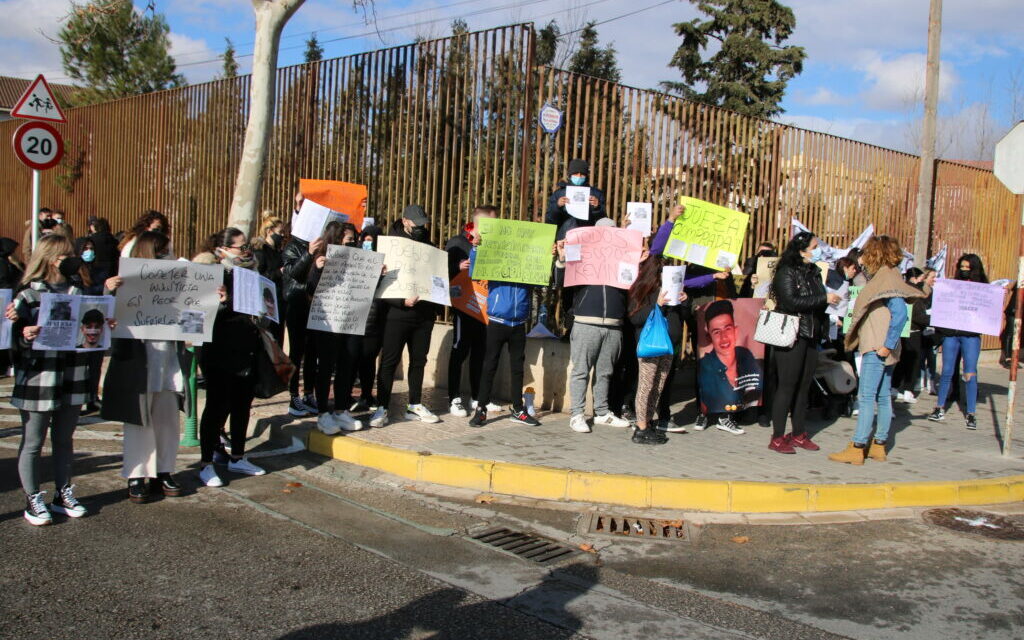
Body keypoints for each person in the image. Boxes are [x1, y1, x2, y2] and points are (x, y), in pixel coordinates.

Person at [7, 235, 98, 525]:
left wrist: (102, 326)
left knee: (64, 438)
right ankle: (33, 497)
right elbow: (11, 338)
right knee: (33, 441)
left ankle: (63, 492)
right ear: (48, 257)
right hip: (39, 375)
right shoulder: (27, 293)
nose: (70, 258)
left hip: (73, 373)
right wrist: (23, 334)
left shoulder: (78, 291)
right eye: (63, 254)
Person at [102, 231, 190, 502]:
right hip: (138, 360)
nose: (170, 256)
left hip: (168, 358)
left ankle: (164, 470)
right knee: (139, 420)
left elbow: (195, 310)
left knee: (167, 420)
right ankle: (137, 474)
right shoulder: (124, 281)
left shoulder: (178, 278)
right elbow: (100, 318)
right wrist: (108, 291)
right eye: (165, 252)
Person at [830, 235, 924, 464]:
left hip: (877, 346)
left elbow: (900, 314)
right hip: (883, 346)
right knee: (883, 397)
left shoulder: (885, 281)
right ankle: (879, 445)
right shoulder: (889, 277)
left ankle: (858, 446)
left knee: (866, 396)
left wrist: (886, 345)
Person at [196, 228, 267, 487]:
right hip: (218, 350)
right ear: (222, 249)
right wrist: (222, 303)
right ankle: (206, 463)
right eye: (240, 247)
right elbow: (197, 313)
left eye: (246, 246)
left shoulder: (250, 273)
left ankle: (238, 457)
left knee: (241, 405)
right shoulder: (211, 273)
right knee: (217, 406)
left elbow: (258, 310)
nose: (246, 251)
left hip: (247, 348)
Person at [467, 210, 543, 428]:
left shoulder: (528, 262)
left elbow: (541, 280)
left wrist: (550, 256)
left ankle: (518, 409)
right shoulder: (496, 257)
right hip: (497, 321)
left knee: (518, 368)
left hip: (519, 322)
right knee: (489, 365)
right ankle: (481, 409)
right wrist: (476, 248)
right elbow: (474, 271)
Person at [369, 206, 442, 428]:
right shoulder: (390, 245)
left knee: (419, 360)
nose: (421, 227)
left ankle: (415, 404)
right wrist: (401, 302)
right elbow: (381, 285)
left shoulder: (429, 247)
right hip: (396, 314)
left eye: (423, 223)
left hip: (424, 314)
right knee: (389, 361)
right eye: (416, 223)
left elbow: (437, 278)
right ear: (405, 221)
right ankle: (382, 406)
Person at [768, 231, 841, 454]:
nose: (818, 249)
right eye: (815, 246)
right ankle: (778, 436)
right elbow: (790, 302)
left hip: (811, 334)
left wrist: (828, 306)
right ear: (802, 250)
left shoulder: (814, 271)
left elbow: (815, 302)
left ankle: (799, 433)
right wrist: (823, 298)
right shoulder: (786, 272)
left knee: (804, 387)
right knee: (787, 386)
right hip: (791, 335)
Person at [556, 218, 631, 434]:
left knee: (605, 372)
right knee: (581, 371)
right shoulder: (582, 255)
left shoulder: (623, 258)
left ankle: (601, 412)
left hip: (614, 325)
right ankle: (577, 414)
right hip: (586, 322)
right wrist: (561, 259)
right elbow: (562, 280)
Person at [307, 222, 366, 434]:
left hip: (351, 319)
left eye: (354, 239)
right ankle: (323, 412)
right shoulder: (321, 258)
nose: (353, 243)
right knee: (325, 367)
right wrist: (317, 269)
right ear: (337, 239)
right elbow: (310, 287)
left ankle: (340, 409)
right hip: (328, 321)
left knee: (347, 365)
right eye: (349, 239)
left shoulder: (359, 259)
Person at [627, 252, 687, 445]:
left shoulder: (672, 289)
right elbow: (635, 318)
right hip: (651, 345)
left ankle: (649, 422)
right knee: (646, 385)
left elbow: (683, 316)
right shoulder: (642, 290)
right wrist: (657, 306)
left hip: (669, 344)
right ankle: (641, 427)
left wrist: (684, 301)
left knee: (658, 385)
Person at [928, 254, 989, 430]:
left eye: (967, 268)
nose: (963, 271)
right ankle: (939, 407)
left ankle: (971, 413)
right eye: (961, 267)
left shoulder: (982, 287)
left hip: (970, 335)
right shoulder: (953, 285)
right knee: (947, 371)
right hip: (952, 334)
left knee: (970, 373)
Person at [445, 206, 495, 417]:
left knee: (480, 353)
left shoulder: (493, 244)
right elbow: (442, 270)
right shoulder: (457, 242)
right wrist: (458, 266)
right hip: (464, 307)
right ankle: (454, 398)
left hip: (484, 307)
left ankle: (477, 397)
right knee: (460, 351)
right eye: (491, 222)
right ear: (477, 223)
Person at [281, 211, 321, 417]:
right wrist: (308, 254)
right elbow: (293, 273)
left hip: (315, 305)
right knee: (297, 352)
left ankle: (308, 394)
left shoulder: (323, 246)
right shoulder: (292, 247)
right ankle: (293, 396)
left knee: (313, 353)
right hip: (296, 303)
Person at [698, 300, 762, 430]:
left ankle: (727, 418)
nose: (724, 338)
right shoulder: (706, 366)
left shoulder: (745, 355)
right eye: (716, 332)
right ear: (709, 337)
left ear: (735, 330)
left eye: (727, 329)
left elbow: (757, 388)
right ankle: (713, 417)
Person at [350, 226, 386, 413]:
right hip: (357, 315)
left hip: (375, 318)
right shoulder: (355, 257)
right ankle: (347, 397)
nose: (368, 244)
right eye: (365, 240)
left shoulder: (386, 260)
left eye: (372, 240)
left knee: (369, 359)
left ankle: (366, 394)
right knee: (354, 359)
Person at [892, 268, 928, 403]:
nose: (922, 283)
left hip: (900, 330)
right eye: (921, 279)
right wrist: (931, 320)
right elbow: (918, 316)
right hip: (913, 332)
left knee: (900, 361)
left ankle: (894, 387)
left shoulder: (900, 289)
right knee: (913, 362)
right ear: (914, 278)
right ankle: (908, 390)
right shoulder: (914, 294)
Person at [253, 212, 287, 342]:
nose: (283, 235)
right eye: (280, 231)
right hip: (267, 302)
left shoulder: (278, 251)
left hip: (279, 300)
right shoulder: (260, 250)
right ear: (269, 231)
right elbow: (259, 276)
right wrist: (278, 272)